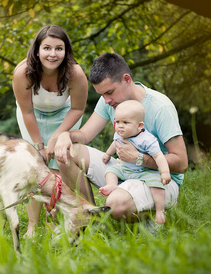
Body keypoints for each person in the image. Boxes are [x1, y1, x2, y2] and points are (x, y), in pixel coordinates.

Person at [54, 52, 188, 225]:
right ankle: (91, 218)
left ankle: (150, 216)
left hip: (159, 180)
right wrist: (66, 135)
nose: (107, 100)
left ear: (126, 79)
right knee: (69, 152)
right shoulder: (109, 102)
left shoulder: (161, 108)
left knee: (115, 205)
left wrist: (138, 158)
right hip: (125, 170)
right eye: (102, 95)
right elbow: (84, 135)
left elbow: (182, 163)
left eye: (109, 92)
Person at [12, 25, 88, 237]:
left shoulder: (75, 73)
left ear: (66, 51)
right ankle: (33, 226)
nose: (53, 54)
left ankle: (59, 219)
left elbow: (78, 108)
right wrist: (40, 146)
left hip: (66, 114)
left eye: (59, 48)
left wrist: (57, 136)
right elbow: (27, 112)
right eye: (47, 48)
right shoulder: (23, 73)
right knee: (35, 166)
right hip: (32, 115)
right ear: (37, 50)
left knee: (60, 163)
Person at [100, 100, 171, 225]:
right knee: (111, 170)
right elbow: (114, 144)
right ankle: (112, 185)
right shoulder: (119, 134)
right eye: (117, 122)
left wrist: (164, 171)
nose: (120, 126)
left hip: (144, 171)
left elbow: (159, 156)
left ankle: (160, 210)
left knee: (156, 183)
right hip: (125, 168)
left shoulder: (147, 140)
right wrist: (107, 154)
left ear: (140, 126)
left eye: (126, 122)